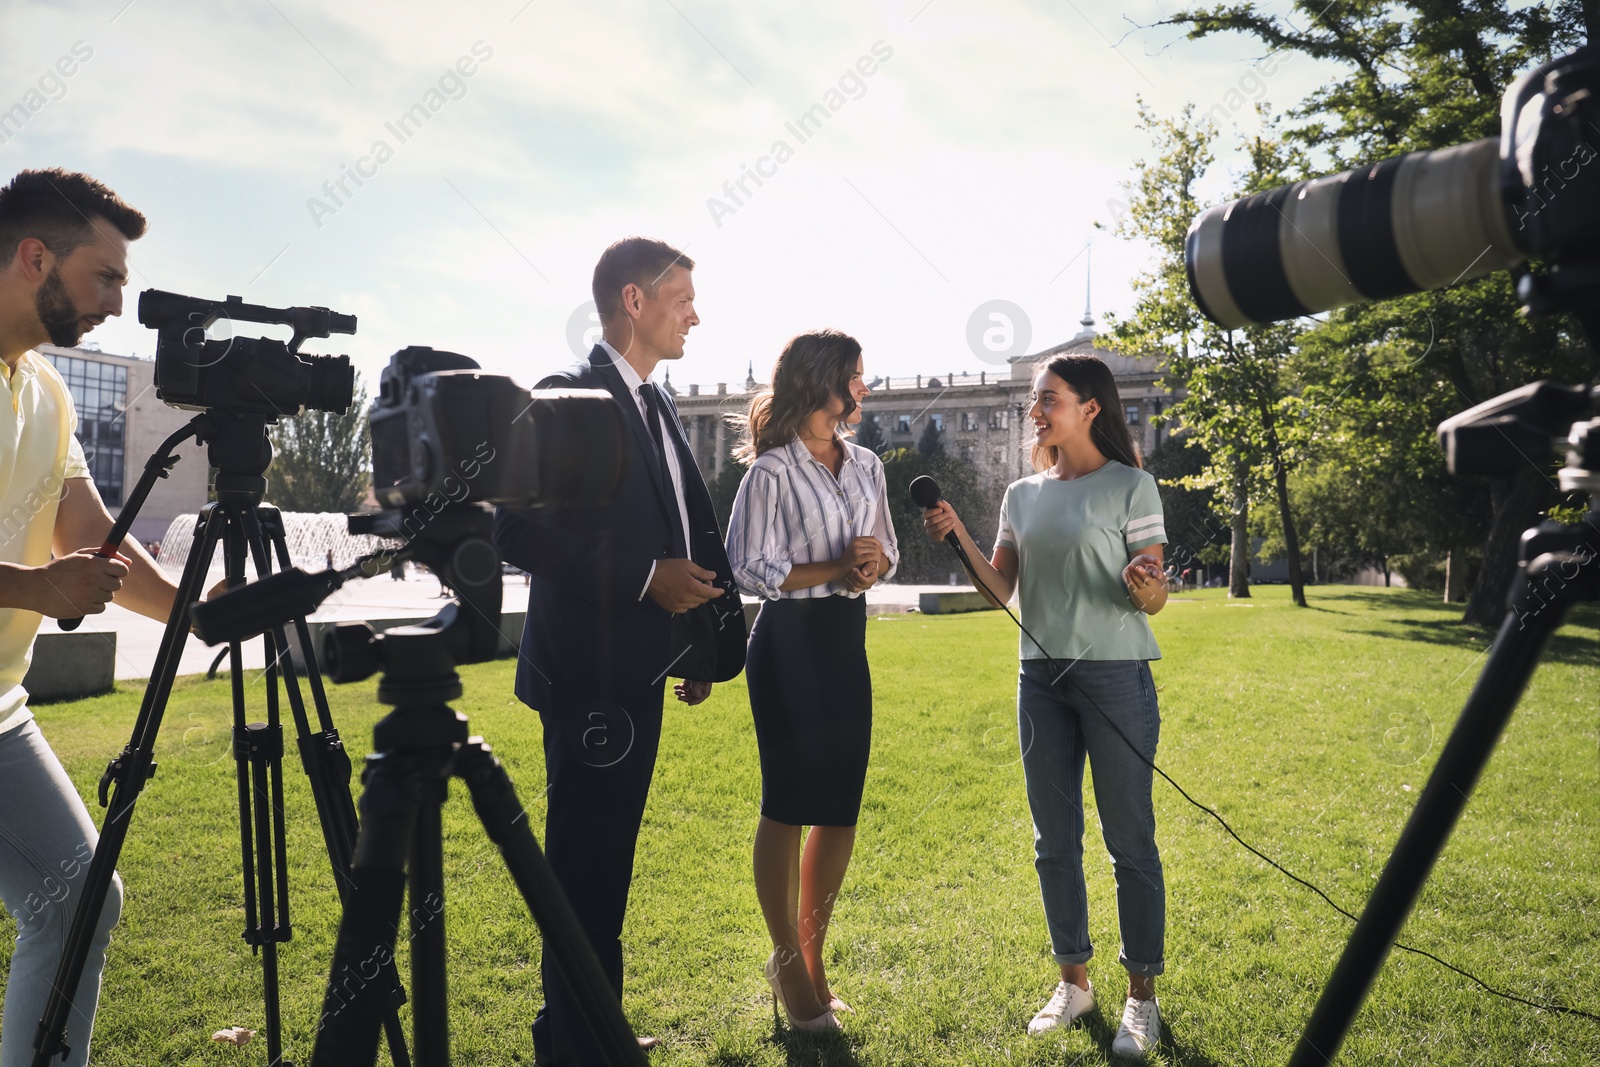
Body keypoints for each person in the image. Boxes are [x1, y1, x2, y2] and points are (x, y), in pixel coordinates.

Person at [494, 237, 747, 1067]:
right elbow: (519, 530)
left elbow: (674, 527)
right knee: (581, 872)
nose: (695, 315)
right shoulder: (563, 397)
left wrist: (691, 645)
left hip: (638, 672)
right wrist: (647, 581)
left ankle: (584, 1028)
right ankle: (577, 1045)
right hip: (587, 681)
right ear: (633, 302)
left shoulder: (658, 402)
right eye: (682, 299)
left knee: (605, 869)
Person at [922, 353, 1170, 1059]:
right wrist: (956, 534)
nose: (1037, 409)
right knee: (1052, 842)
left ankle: (1141, 997)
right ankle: (1075, 981)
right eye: (1035, 399)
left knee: (1130, 842)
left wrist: (1143, 582)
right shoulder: (1021, 495)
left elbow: (1155, 590)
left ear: (1090, 406)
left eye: (1049, 398)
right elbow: (999, 589)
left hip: (1118, 674)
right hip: (1042, 681)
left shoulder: (1133, 484)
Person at [0, 170, 184, 1067]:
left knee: (79, 898)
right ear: (36, 256)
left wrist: (192, 609)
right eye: (106, 276)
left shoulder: (45, 388)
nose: (119, 300)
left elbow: (86, 529)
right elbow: (54, 569)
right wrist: (34, 588)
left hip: (0, 712)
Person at [724, 331, 896, 1032]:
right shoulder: (769, 473)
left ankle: (815, 963)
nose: (865, 388)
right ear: (824, 383)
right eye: (856, 376)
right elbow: (746, 568)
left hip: (844, 643)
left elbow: (884, 548)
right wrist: (833, 567)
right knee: (789, 803)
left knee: (840, 810)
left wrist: (870, 566)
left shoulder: (869, 466)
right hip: (787, 645)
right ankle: (787, 963)